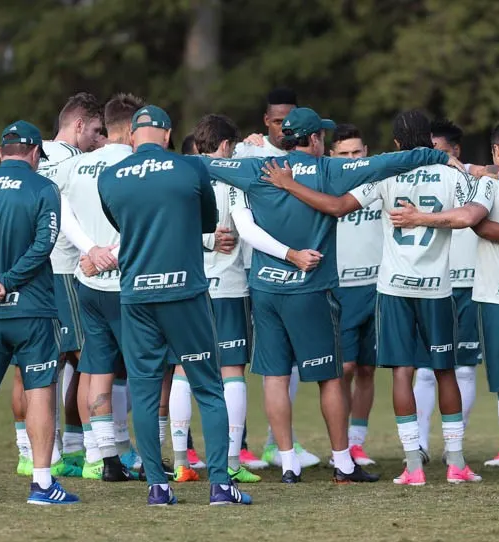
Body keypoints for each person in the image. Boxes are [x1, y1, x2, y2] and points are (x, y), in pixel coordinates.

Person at [202, 107, 456, 484]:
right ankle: (343, 462)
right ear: (316, 139)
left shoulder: (258, 169)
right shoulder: (330, 171)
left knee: (273, 376)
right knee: (330, 379)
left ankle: (288, 463)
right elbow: (391, 162)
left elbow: (205, 166)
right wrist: (438, 155)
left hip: (266, 287)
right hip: (311, 288)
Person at [261, 109, 480, 486]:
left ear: (395, 145)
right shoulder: (450, 173)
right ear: (430, 141)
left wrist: (289, 184)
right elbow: (470, 215)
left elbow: (336, 207)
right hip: (438, 288)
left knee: (401, 372)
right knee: (445, 371)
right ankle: (456, 463)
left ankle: (413, 467)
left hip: (393, 287)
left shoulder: (383, 174)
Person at [391, 121, 499, 487]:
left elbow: (476, 224)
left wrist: (419, 217)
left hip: (495, 297)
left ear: (497, 151)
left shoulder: (489, 184)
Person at [98, 104, 250, 506]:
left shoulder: (111, 176)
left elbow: (120, 222)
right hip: (185, 292)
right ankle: (220, 485)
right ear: (167, 135)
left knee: (146, 393)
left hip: (137, 294)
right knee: (208, 387)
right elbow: (206, 220)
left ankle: (157, 487)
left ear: (133, 136)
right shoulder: (192, 168)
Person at [0, 120, 79, 504]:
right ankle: (42, 484)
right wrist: (8, 280)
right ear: (36, 152)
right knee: (40, 390)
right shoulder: (43, 187)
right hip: (33, 309)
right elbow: (44, 245)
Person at [10, 92, 103, 479]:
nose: (99, 140)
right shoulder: (74, 163)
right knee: (88, 358)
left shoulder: (26, 156)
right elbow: (67, 214)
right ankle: (92, 452)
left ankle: (27, 452)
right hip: (63, 268)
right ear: (79, 125)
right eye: (96, 131)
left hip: (24, 271)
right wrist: (91, 248)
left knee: (28, 366)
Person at [166, 114, 262, 484]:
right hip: (228, 288)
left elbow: (171, 226)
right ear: (225, 146)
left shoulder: (179, 175)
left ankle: (180, 462)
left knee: (182, 370)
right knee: (231, 372)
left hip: (187, 287)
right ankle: (233, 460)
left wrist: (203, 241)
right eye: (234, 147)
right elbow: (246, 227)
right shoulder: (231, 177)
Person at [55, 93, 144, 483]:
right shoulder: (135, 164)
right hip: (126, 280)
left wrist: (90, 250)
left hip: (87, 278)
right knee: (145, 369)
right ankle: (141, 452)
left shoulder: (76, 165)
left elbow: (60, 209)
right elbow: (143, 220)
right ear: (132, 129)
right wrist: (114, 251)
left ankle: (101, 454)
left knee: (94, 365)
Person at [232, 87, 320, 470]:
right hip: (258, 270)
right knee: (253, 363)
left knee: (291, 364)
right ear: (266, 122)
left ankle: (276, 443)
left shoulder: (310, 158)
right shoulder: (248, 154)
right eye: (278, 121)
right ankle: (242, 446)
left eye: (291, 120)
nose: (286, 127)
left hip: (304, 269)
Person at [418, 118, 480, 464]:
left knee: (465, 368)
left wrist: (467, 168)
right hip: (431, 284)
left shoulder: (475, 180)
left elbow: (495, 171)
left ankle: (453, 443)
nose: (433, 156)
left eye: (439, 150)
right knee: (426, 369)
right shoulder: (413, 179)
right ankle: (421, 444)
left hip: (470, 284)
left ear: (454, 150)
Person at [328, 124, 380, 466]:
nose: (351, 159)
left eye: (356, 152)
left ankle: (358, 441)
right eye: (344, 153)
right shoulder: (324, 186)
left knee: (367, 369)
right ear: (332, 156)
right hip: (341, 291)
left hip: (377, 288)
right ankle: (341, 443)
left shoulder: (378, 183)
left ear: (366, 153)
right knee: (343, 368)